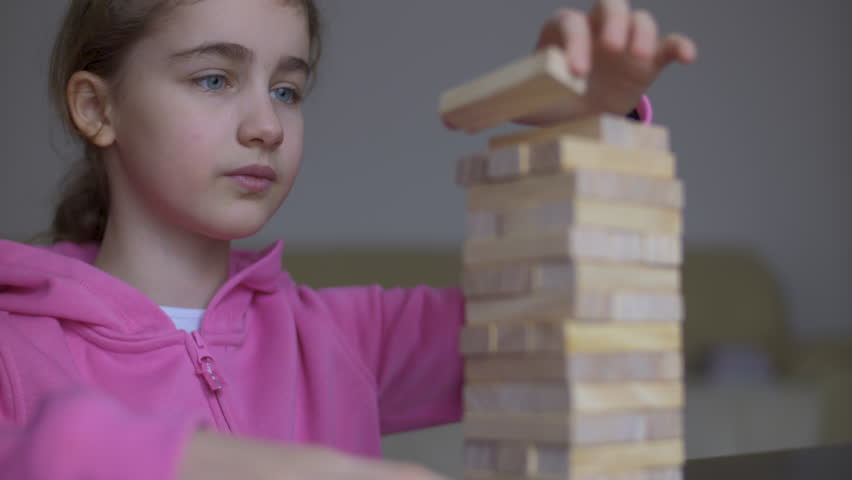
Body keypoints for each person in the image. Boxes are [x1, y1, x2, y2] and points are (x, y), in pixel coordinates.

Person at [0, 0, 697, 479]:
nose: (266, 125)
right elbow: (42, 452)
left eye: (287, 90)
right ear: (98, 107)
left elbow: (572, 322)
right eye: (215, 79)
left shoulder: (346, 336)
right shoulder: (14, 347)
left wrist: (587, 128)